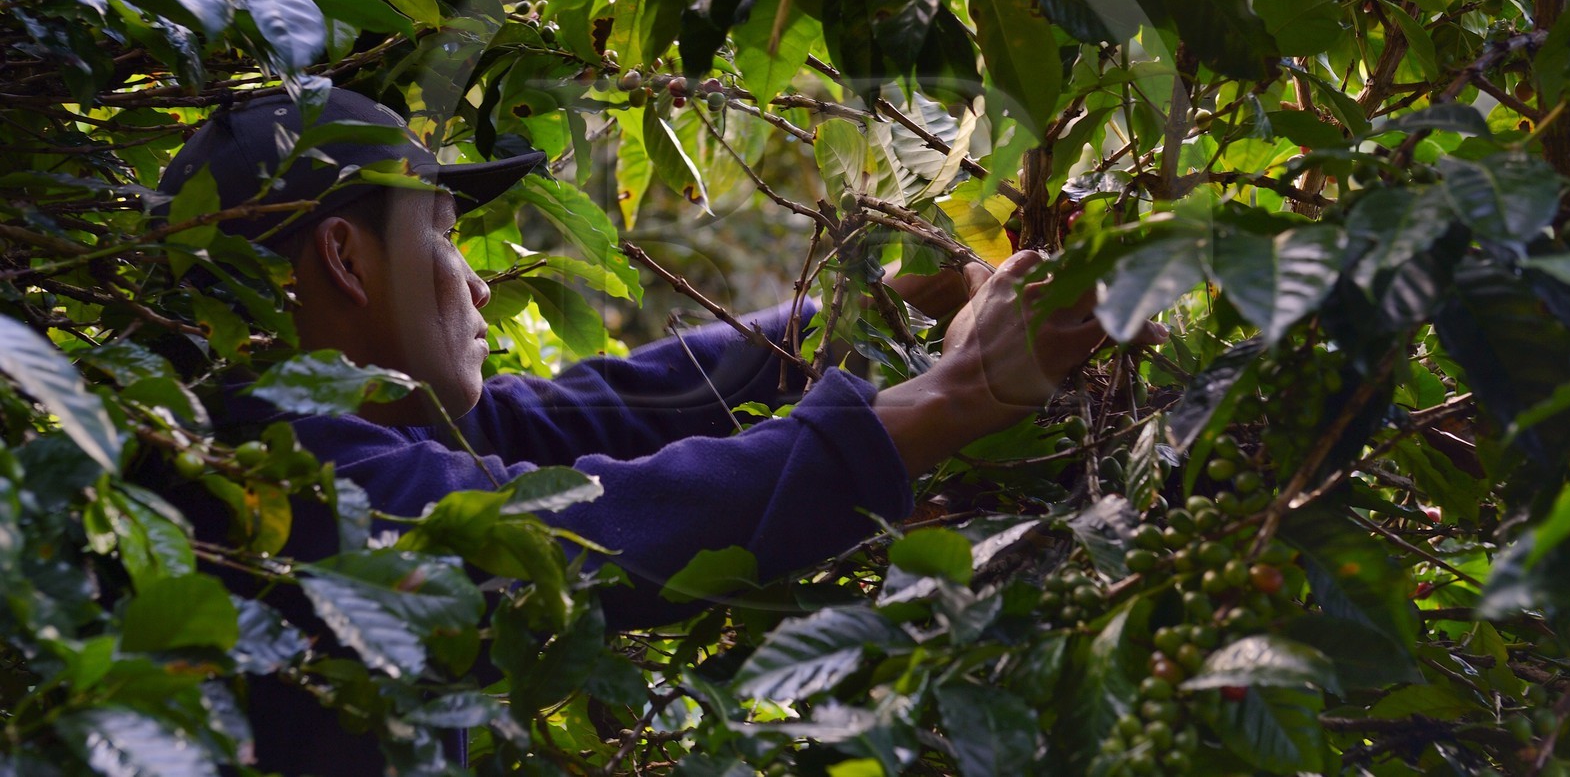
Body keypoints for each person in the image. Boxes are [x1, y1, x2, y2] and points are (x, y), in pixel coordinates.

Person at [152, 85, 1164, 773]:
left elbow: (623, 406)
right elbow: (619, 524)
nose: (478, 282)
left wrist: (894, 298)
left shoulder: (324, 425)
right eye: (448, 240)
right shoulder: (279, 494)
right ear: (345, 258)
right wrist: (958, 393)